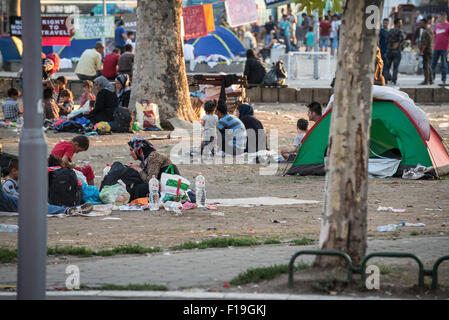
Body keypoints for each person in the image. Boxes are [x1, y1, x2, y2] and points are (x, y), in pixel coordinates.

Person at [0, 179, 93, 216]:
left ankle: (68, 210)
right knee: (36, 206)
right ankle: (67, 210)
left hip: (5, 199)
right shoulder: (10, 183)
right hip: (4, 200)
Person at [385, 18, 405, 85]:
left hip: (389, 51)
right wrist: (397, 44)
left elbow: (386, 40)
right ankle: (394, 81)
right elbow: (402, 40)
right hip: (397, 52)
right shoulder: (400, 31)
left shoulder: (390, 31)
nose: (401, 24)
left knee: (387, 67)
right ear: (397, 23)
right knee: (395, 68)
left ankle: (386, 80)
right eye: (400, 22)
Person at [431, 12, 449, 85]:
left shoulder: (448, 25)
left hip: (444, 48)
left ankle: (444, 79)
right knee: (433, 63)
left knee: (444, 64)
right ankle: (432, 78)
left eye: (439, 17)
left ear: (444, 17)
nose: (438, 18)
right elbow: (434, 35)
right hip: (436, 47)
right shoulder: (437, 25)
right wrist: (432, 45)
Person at [419, 18, 434, 85]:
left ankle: (426, 81)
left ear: (425, 23)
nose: (420, 24)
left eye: (421, 23)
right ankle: (431, 80)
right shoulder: (430, 30)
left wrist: (421, 51)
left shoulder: (425, 32)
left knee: (426, 66)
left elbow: (424, 43)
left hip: (426, 51)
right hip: (430, 50)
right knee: (428, 65)